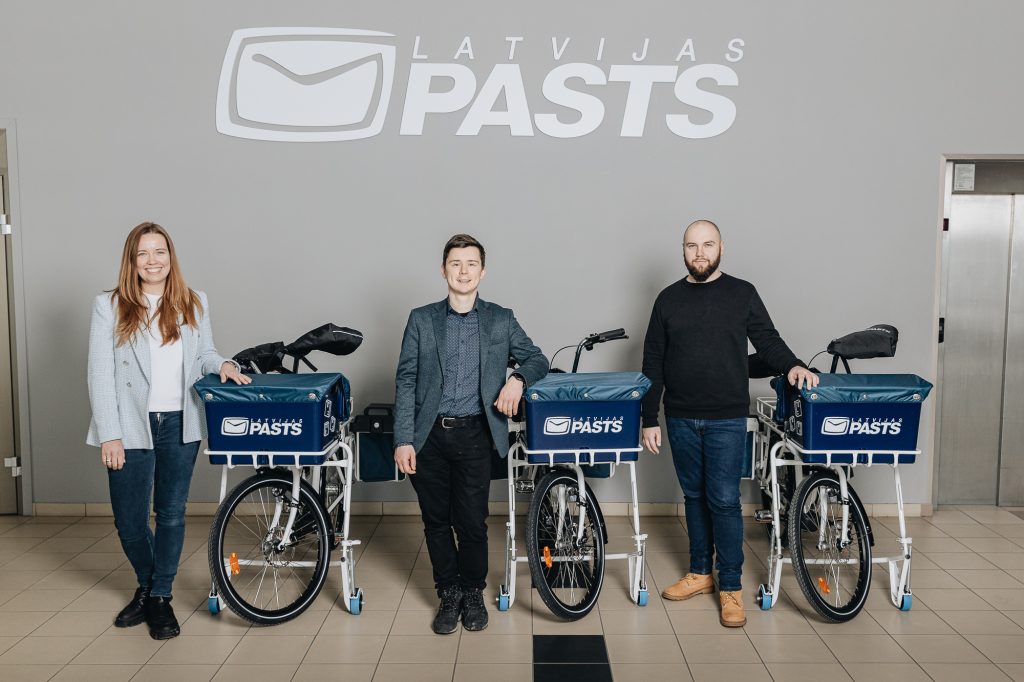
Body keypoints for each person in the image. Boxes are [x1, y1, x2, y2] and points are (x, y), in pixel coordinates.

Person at [640, 219, 818, 628]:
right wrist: (650, 417)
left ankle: (731, 587)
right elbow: (653, 363)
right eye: (691, 245)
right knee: (694, 496)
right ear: (682, 250)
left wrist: (792, 365)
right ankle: (700, 573)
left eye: (707, 244)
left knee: (722, 498)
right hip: (680, 416)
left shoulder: (742, 293)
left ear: (722, 247)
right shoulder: (667, 300)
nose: (699, 252)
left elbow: (768, 341)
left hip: (726, 417)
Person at [87, 222, 249, 640]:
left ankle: (158, 597)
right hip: (129, 425)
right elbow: (100, 374)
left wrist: (223, 365)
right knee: (129, 520)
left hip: (181, 421)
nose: (152, 260)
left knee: (173, 514)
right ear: (132, 260)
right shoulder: (109, 305)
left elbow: (206, 353)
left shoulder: (194, 301)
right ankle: (149, 584)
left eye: (159, 252)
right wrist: (110, 433)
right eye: (143, 254)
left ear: (170, 257)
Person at [394, 234, 548, 634]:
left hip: (477, 435)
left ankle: (473, 591)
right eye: (456, 264)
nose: (463, 271)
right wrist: (403, 439)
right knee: (436, 521)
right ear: (443, 270)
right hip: (428, 437)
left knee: (472, 522)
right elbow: (406, 379)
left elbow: (537, 359)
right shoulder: (422, 319)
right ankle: (449, 593)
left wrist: (517, 380)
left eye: (471, 264)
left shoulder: (500, 318)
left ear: (483, 271)